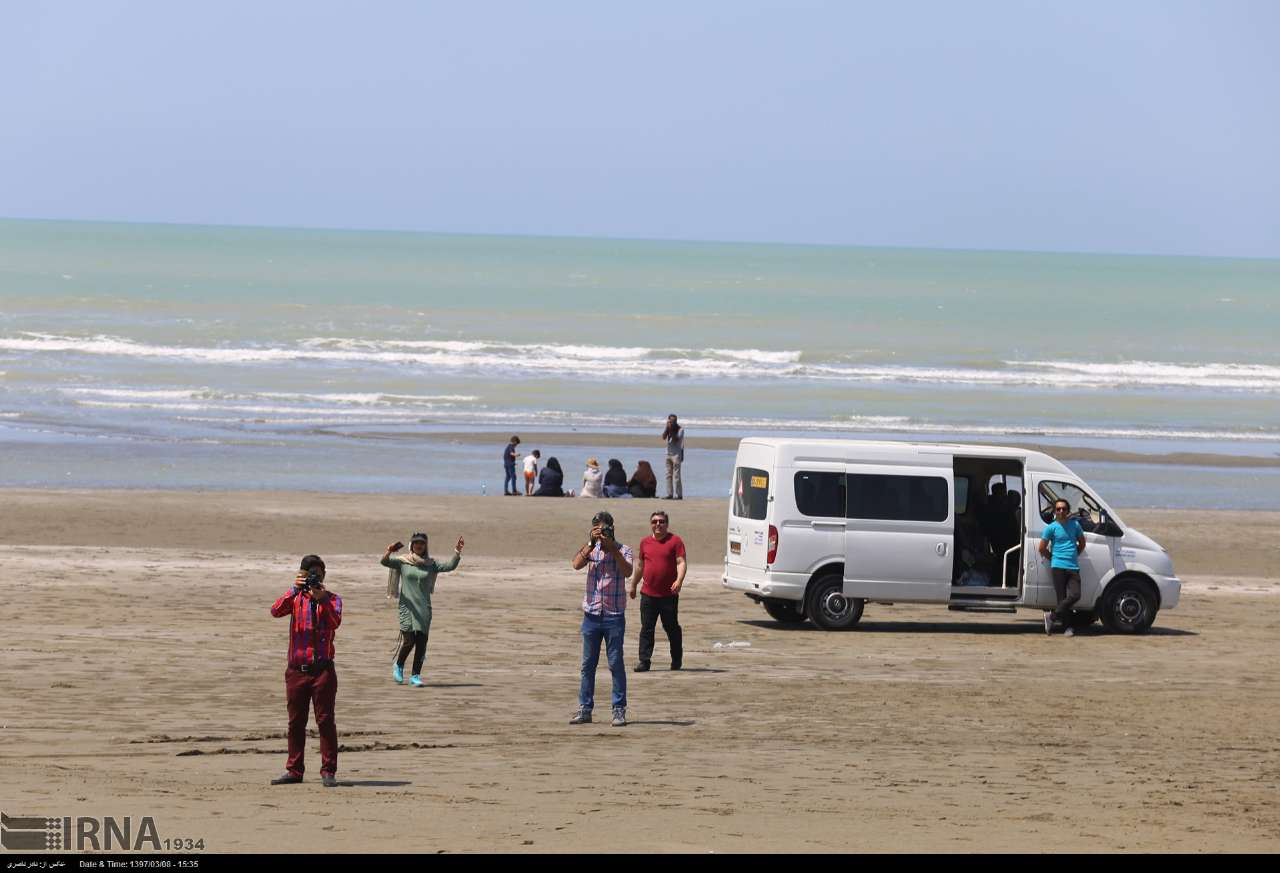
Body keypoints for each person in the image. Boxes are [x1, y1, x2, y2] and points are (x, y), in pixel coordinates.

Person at [269, 555, 343, 787]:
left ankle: (328, 772)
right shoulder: (295, 598)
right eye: (309, 573)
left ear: (323, 576)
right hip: (296, 671)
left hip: (323, 670)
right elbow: (275, 611)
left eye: (318, 573)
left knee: (325, 721)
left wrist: (321, 600)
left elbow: (334, 622)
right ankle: (294, 771)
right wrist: (293, 589)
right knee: (295, 722)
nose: (314, 577)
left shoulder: (332, 599)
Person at [570, 511, 634, 727]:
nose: (601, 532)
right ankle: (585, 708)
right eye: (597, 528)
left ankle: (618, 709)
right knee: (588, 664)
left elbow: (628, 572)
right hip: (592, 615)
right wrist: (590, 542)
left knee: (616, 663)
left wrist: (612, 548)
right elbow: (576, 564)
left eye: (604, 528)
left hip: (614, 616)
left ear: (612, 528)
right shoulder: (591, 550)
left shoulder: (624, 550)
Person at [382, 532, 464, 686]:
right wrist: (389, 551)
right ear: (411, 545)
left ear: (425, 546)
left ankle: (415, 676)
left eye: (422, 543)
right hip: (407, 607)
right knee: (409, 641)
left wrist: (457, 552)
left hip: (424, 609)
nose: (419, 546)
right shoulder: (402, 562)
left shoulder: (431, 564)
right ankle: (398, 665)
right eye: (416, 543)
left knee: (421, 642)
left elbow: (450, 566)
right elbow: (384, 562)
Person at [629, 510, 686, 672]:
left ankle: (676, 659)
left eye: (661, 521)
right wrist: (633, 585)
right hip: (648, 594)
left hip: (669, 595)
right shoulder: (645, 543)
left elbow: (681, 562)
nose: (658, 524)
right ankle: (644, 661)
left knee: (672, 628)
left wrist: (679, 580)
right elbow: (640, 566)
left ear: (667, 524)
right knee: (647, 628)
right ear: (651, 524)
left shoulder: (675, 541)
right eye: (654, 522)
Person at [1039, 498, 1086, 636]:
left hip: (1072, 566)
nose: (1061, 511)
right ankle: (1068, 628)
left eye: (1064, 509)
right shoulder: (1051, 527)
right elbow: (1042, 548)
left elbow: (1082, 543)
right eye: (1058, 509)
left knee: (1076, 595)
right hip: (1057, 566)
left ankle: (1052, 617)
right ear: (1055, 511)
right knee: (1062, 598)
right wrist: (1053, 558)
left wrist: (1074, 554)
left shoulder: (1075, 525)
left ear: (1068, 510)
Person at [662, 414, 685, 500]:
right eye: (671, 421)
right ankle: (669, 494)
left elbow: (676, 440)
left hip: (676, 455)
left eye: (674, 421)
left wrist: (670, 429)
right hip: (668, 453)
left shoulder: (681, 430)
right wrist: (666, 428)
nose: (673, 423)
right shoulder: (668, 428)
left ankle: (679, 495)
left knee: (677, 476)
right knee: (668, 474)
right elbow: (663, 437)